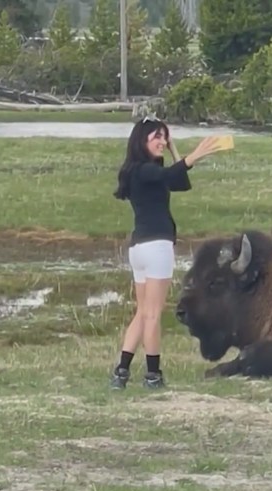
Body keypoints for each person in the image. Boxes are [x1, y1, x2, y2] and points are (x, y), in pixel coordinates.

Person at [110, 117, 222, 389]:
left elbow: (179, 183)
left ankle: (121, 372)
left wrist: (174, 151)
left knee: (142, 312)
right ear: (141, 141)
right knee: (152, 314)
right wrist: (193, 156)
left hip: (140, 249)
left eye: (164, 136)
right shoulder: (142, 171)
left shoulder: (142, 172)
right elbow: (169, 175)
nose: (161, 141)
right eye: (156, 138)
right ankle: (153, 375)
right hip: (156, 247)